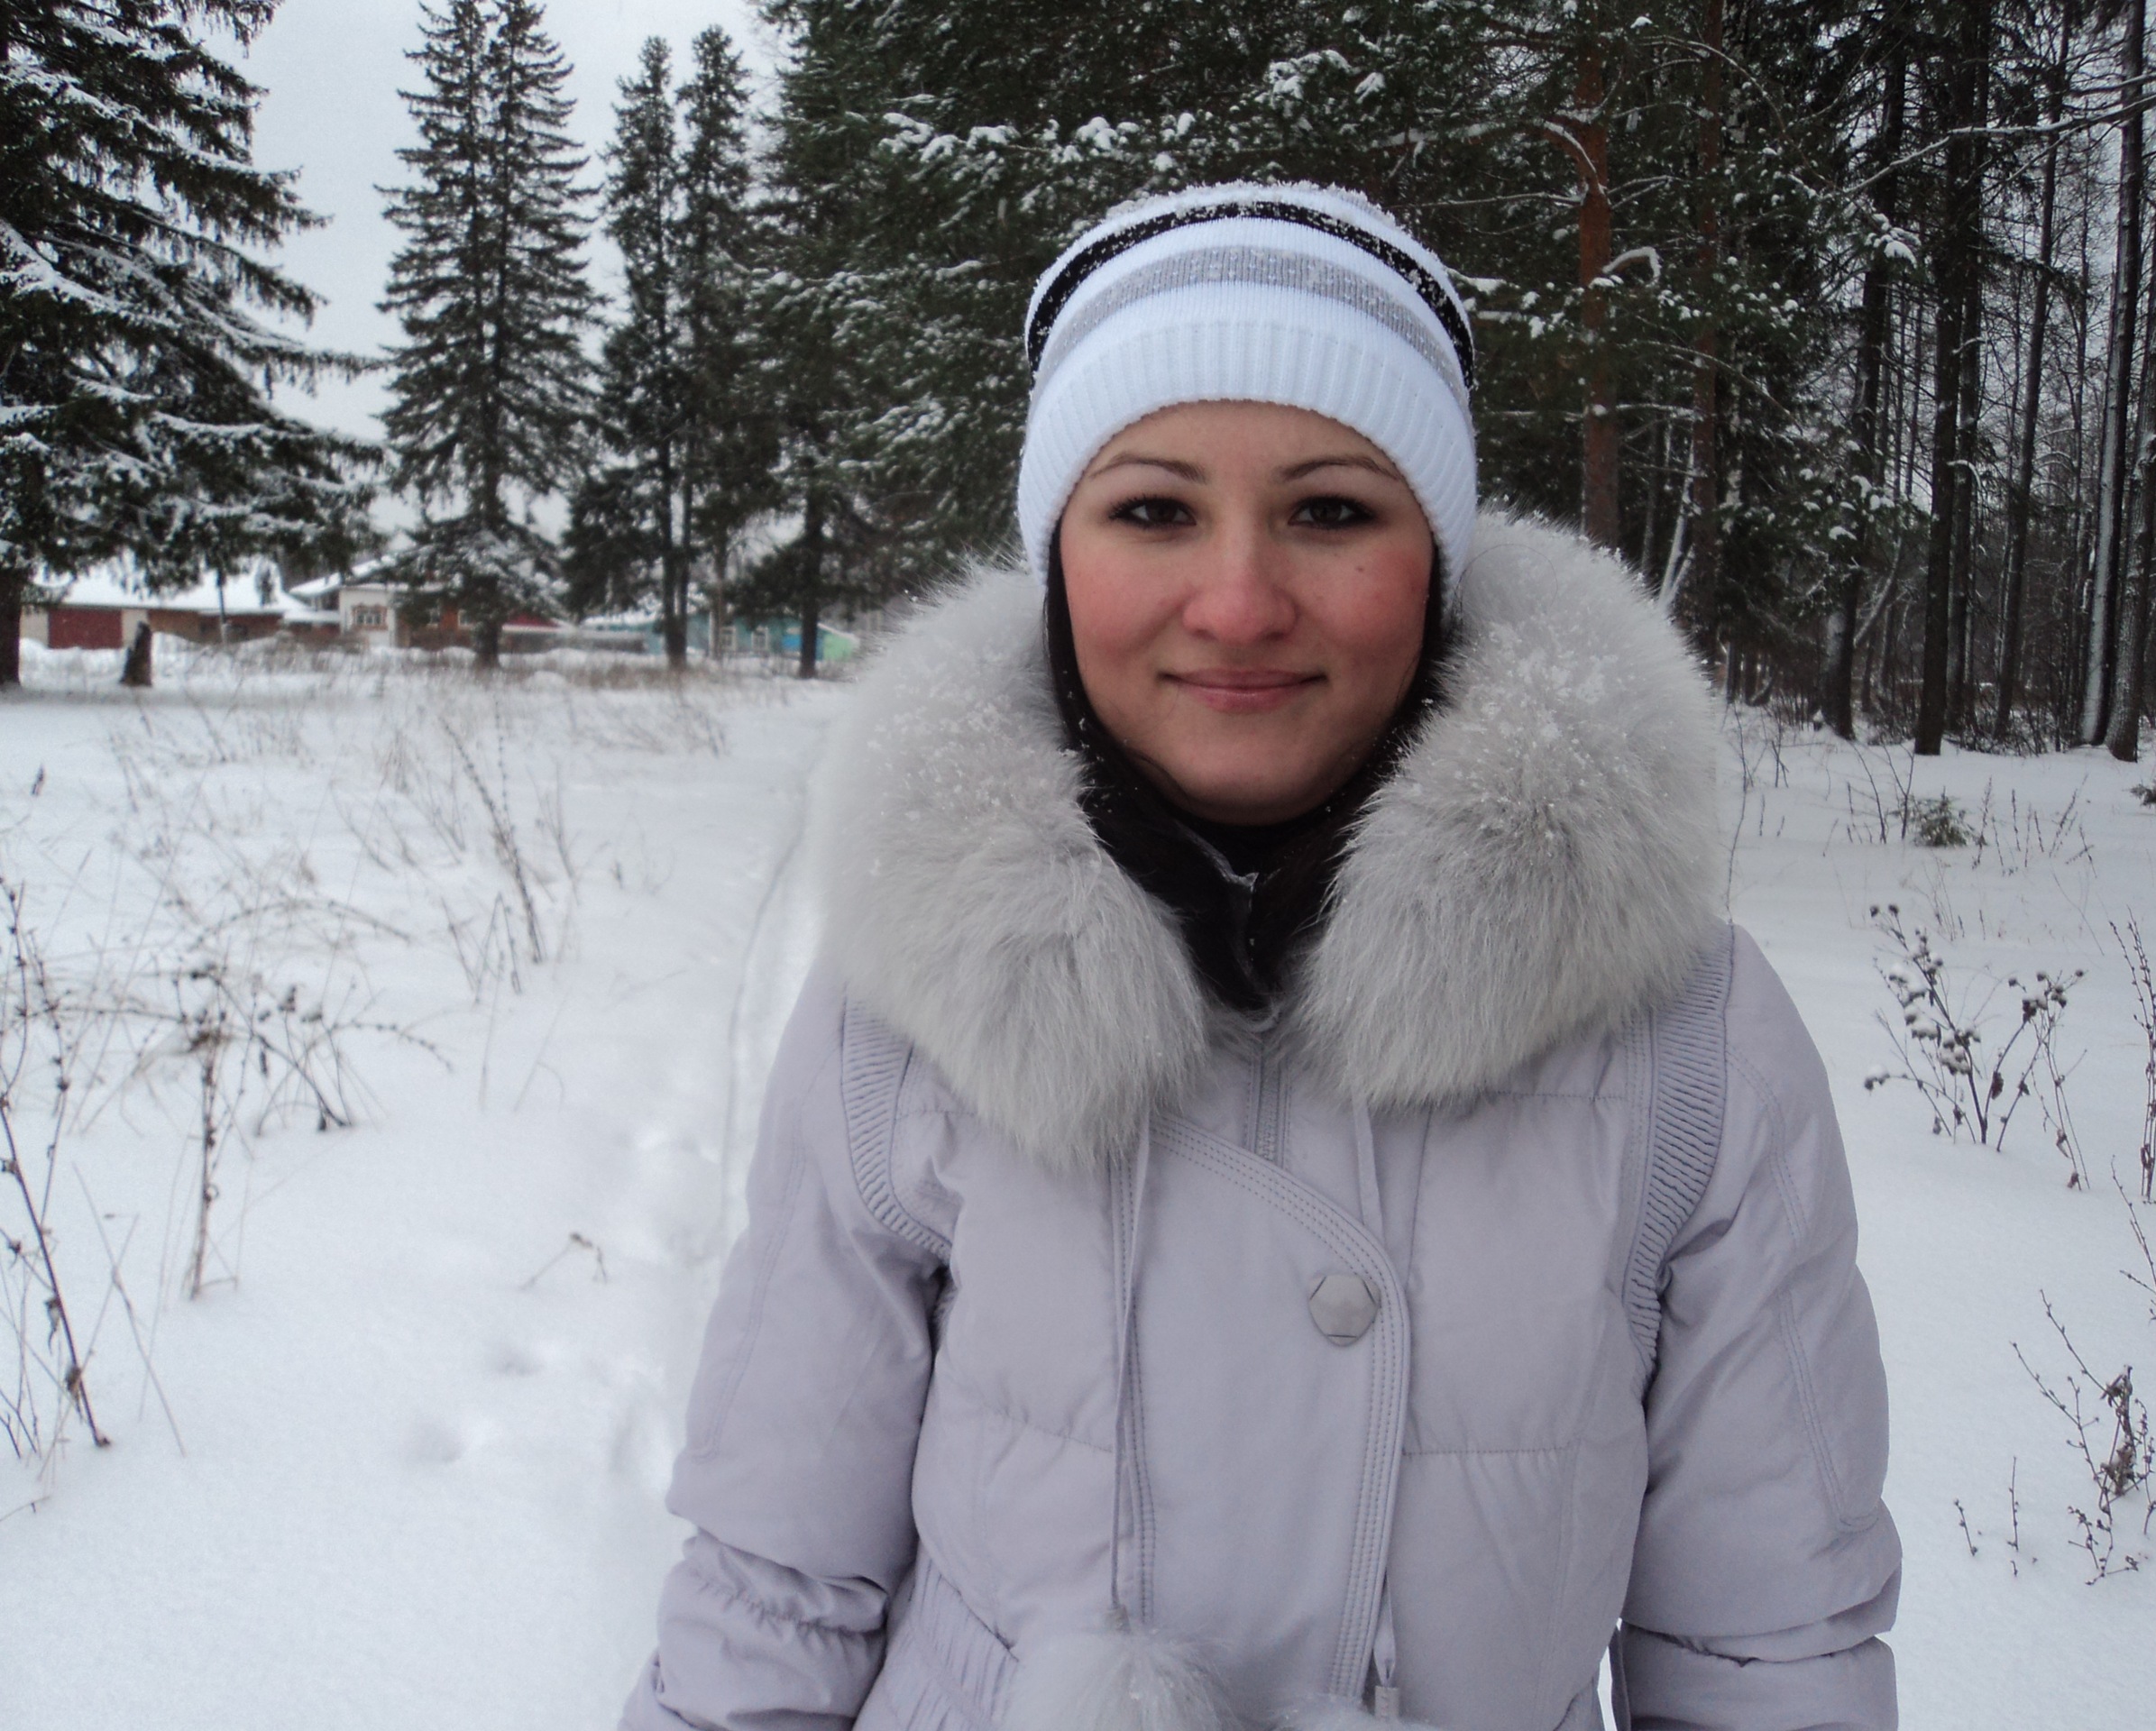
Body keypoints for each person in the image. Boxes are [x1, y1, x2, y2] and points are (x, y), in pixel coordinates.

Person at [622, 183, 1899, 1731]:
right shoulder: (906, 1003)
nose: (1237, 606)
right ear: (1060, 560)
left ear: (1436, 561)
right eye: (1154, 511)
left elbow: (1769, 1651)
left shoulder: (1687, 1034)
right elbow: (775, 1580)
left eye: (1332, 512)